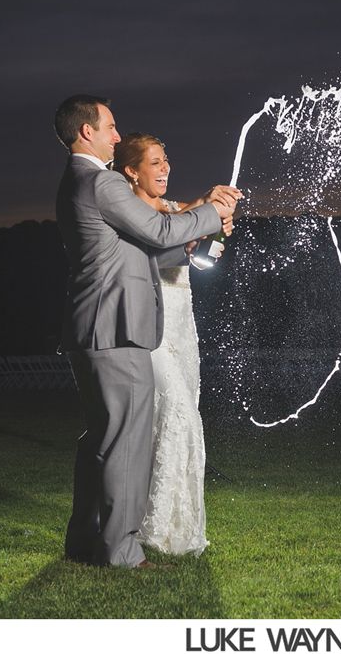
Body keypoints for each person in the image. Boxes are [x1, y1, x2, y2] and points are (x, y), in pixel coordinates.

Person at [53, 95, 235, 568]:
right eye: (110, 127)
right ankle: (121, 550)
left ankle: (85, 539)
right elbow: (155, 231)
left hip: (96, 328)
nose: (117, 135)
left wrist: (200, 229)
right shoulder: (102, 183)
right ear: (85, 132)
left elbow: (140, 251)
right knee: (127, 443)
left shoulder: (79, 182)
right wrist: (212, 212)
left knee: (101, 438)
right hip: (116, 329)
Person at [113, 133, 239, 556]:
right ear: (131, 171)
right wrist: (202, 220)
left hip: (182, 327)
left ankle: (173, 526)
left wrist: (212, 222)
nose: (165, 168)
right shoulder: (130, 212)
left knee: (172, 419)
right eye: (154, 163)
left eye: (166, 160)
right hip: (150, 329)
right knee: (178, 417)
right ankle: (153, 528)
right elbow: (165, 240)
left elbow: (188, 226)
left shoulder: (172, 208)